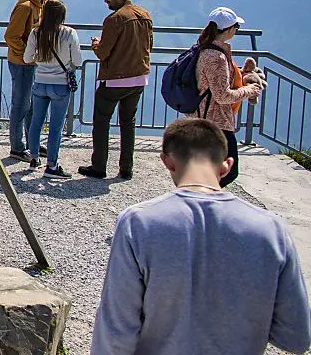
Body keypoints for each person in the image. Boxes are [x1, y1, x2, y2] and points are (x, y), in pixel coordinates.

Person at [90, 117, 310, 355]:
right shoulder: (271, 228)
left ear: (167, 162)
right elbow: (296, 337)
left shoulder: (138, 223)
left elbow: (115, 334)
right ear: (226, 166)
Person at [79, 0, 154, 180]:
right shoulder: (145, 15)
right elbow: (149, 45)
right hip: (139, 78)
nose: (106, 0)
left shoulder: (114, 19)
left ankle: (99, 167)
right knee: (128, 123)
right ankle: (126, 168)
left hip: (115, 80)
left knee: (102, 122)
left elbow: (104, 53)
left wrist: (95, 44)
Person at [194, 6, 266, 188]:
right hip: (216, 121)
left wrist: (240, 76)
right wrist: (250, 90)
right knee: (229, 171)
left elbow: (215, 83)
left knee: (210, 168)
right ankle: (200, 197)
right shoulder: (216, 56)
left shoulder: (205, 48)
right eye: (236, 27)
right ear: (228, 30)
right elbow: (222, 95)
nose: (236, 31)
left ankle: (200, 198)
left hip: (204, 117)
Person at [3, 0, 63, 162]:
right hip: (22, 64)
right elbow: (11, 36)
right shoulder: (25, 7)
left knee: (31, 106)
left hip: (32, 63)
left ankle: (32, 143)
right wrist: (27, 55)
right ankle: (17, 147)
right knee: (20, 105)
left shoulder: (42, 5)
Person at [22, 0, 81, 178]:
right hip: (60, 85)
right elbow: (77, 61)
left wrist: (41, 61)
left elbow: (27, 58)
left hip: (40, 82)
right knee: (55, 127)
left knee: (36, 123)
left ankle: (33, 158)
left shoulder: (36, 33)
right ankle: (52, 166)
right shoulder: (69, 33)